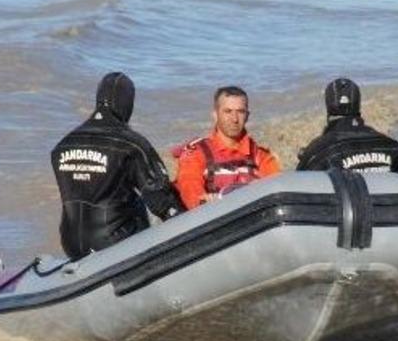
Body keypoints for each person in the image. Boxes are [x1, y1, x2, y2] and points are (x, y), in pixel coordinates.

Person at [51, 72, 184, 260]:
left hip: (70, 244)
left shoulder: (62, 146)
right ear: (127, 103)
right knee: (140, 201)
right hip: (115, 245)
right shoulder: (132, 144)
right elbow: (163, 201)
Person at [173, 85, 281, 208]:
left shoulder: (261, 155)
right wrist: (203, 202)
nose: (234, 119)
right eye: (227, 111)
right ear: (215, 115)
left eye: (240, 112)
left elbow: (276, 191)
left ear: (247, 116)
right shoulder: (196, 153)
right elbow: (190, 189)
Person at [296, 78, 398, 174]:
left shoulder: (318, 152)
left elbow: (301, 184)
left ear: (328, 108)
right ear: (358, 105)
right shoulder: (391, 147)